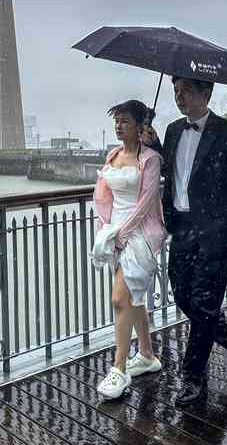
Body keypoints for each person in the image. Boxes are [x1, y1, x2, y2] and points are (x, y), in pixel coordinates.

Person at [143, 76, 227, 406]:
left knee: (205, 302)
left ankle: (193, 378)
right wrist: (152, 143)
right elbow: (172, 167)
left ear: (207, 92)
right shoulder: (172, 131)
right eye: (175, 91)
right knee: (182, 293)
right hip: (182, 228)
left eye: (186, 91)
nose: (179, 97)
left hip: (217, 232)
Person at [92, 100, 167, 399]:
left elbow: (147, 202)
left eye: (125, 121)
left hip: (140, 236)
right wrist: (106, 228)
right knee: (134, 297)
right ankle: (147, 355)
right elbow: (103, 194)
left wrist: (123, 233)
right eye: (117, 121)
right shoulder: (113, 155)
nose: (119, 126)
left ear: (141, 126)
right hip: (115, 234)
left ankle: (119, 369)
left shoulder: (150, 159)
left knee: (119, 298)